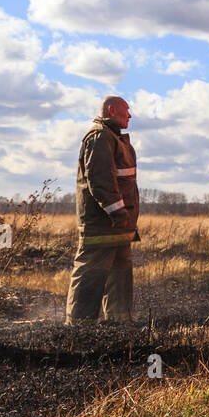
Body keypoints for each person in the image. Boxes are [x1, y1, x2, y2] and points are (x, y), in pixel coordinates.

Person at [65, 96, 139, 324]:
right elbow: (100, 181)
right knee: (91, 275)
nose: (130, 115)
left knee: (119, 276)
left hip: (119, 227)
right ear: (112, 109)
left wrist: (124, 219)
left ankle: (118, 324)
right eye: (126, 110)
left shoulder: (114, 138)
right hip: (104, 225)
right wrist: (117, 213)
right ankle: (79, 327)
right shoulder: (100, 137)